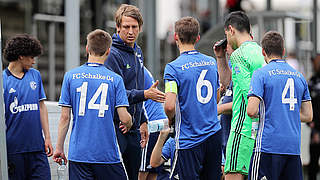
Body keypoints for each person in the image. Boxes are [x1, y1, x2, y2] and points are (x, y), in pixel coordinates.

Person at [53, 29, 132, 179]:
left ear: (87, 48)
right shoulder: (115, 79)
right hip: (106, 154)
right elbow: (124, 118)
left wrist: (59, 148)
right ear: (108, 51)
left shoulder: (71, 76)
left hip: (79, 154)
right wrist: (129, 122)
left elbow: (65, 118)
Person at [104, 4, 165, 180]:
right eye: (126, 27)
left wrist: (143, 120)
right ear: (117, 27)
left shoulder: (137, 50)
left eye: (134, 27)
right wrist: (145, 95)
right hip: (117, 127)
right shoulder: (112, 54)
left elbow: (136, 87)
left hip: (134, 127)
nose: (130, 31)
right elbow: (117, 93)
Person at [247, 31, 313, 180]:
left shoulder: (261, 74)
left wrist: (273, 111)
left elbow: (251, 110)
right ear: (283, 51)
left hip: (268, 147)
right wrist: (284, 113)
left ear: (263, 51)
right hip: (292, 148)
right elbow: (309, 115)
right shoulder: (299, 76)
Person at [164, 16, 222, 179]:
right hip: (213, 135)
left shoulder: (173, 68)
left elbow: (169, 106)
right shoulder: (211, 62)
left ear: (176, 37)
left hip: (189, 139)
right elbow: (216, 98)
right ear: (197, 38)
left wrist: (170, 118)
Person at [213, 11, 265, 180]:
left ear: (230, 30)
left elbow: (245, 94)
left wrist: (218, 108)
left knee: (231, 175)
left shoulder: (238, 55)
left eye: (226, 34)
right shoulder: (260, 52)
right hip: (260, 130)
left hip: (242, 129)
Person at [3, 34, 53, 179]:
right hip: (14, 150)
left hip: (37, 147)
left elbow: (42, 107)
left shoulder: (35, 75)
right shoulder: (3, 81)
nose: (33, 61)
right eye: (31, 57)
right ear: (20, 56)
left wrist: (48, 137)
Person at [139, 67, 169, 180]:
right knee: (152, 173)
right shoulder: (141, 67)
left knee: (141, 173)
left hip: (151, 125)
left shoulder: (135, 68)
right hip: (160, 123)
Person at [307, 54, 320, 180]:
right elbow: (307, 106)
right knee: (313, 164)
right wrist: (314, 128)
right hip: (315, 130)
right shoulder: (312, 81)